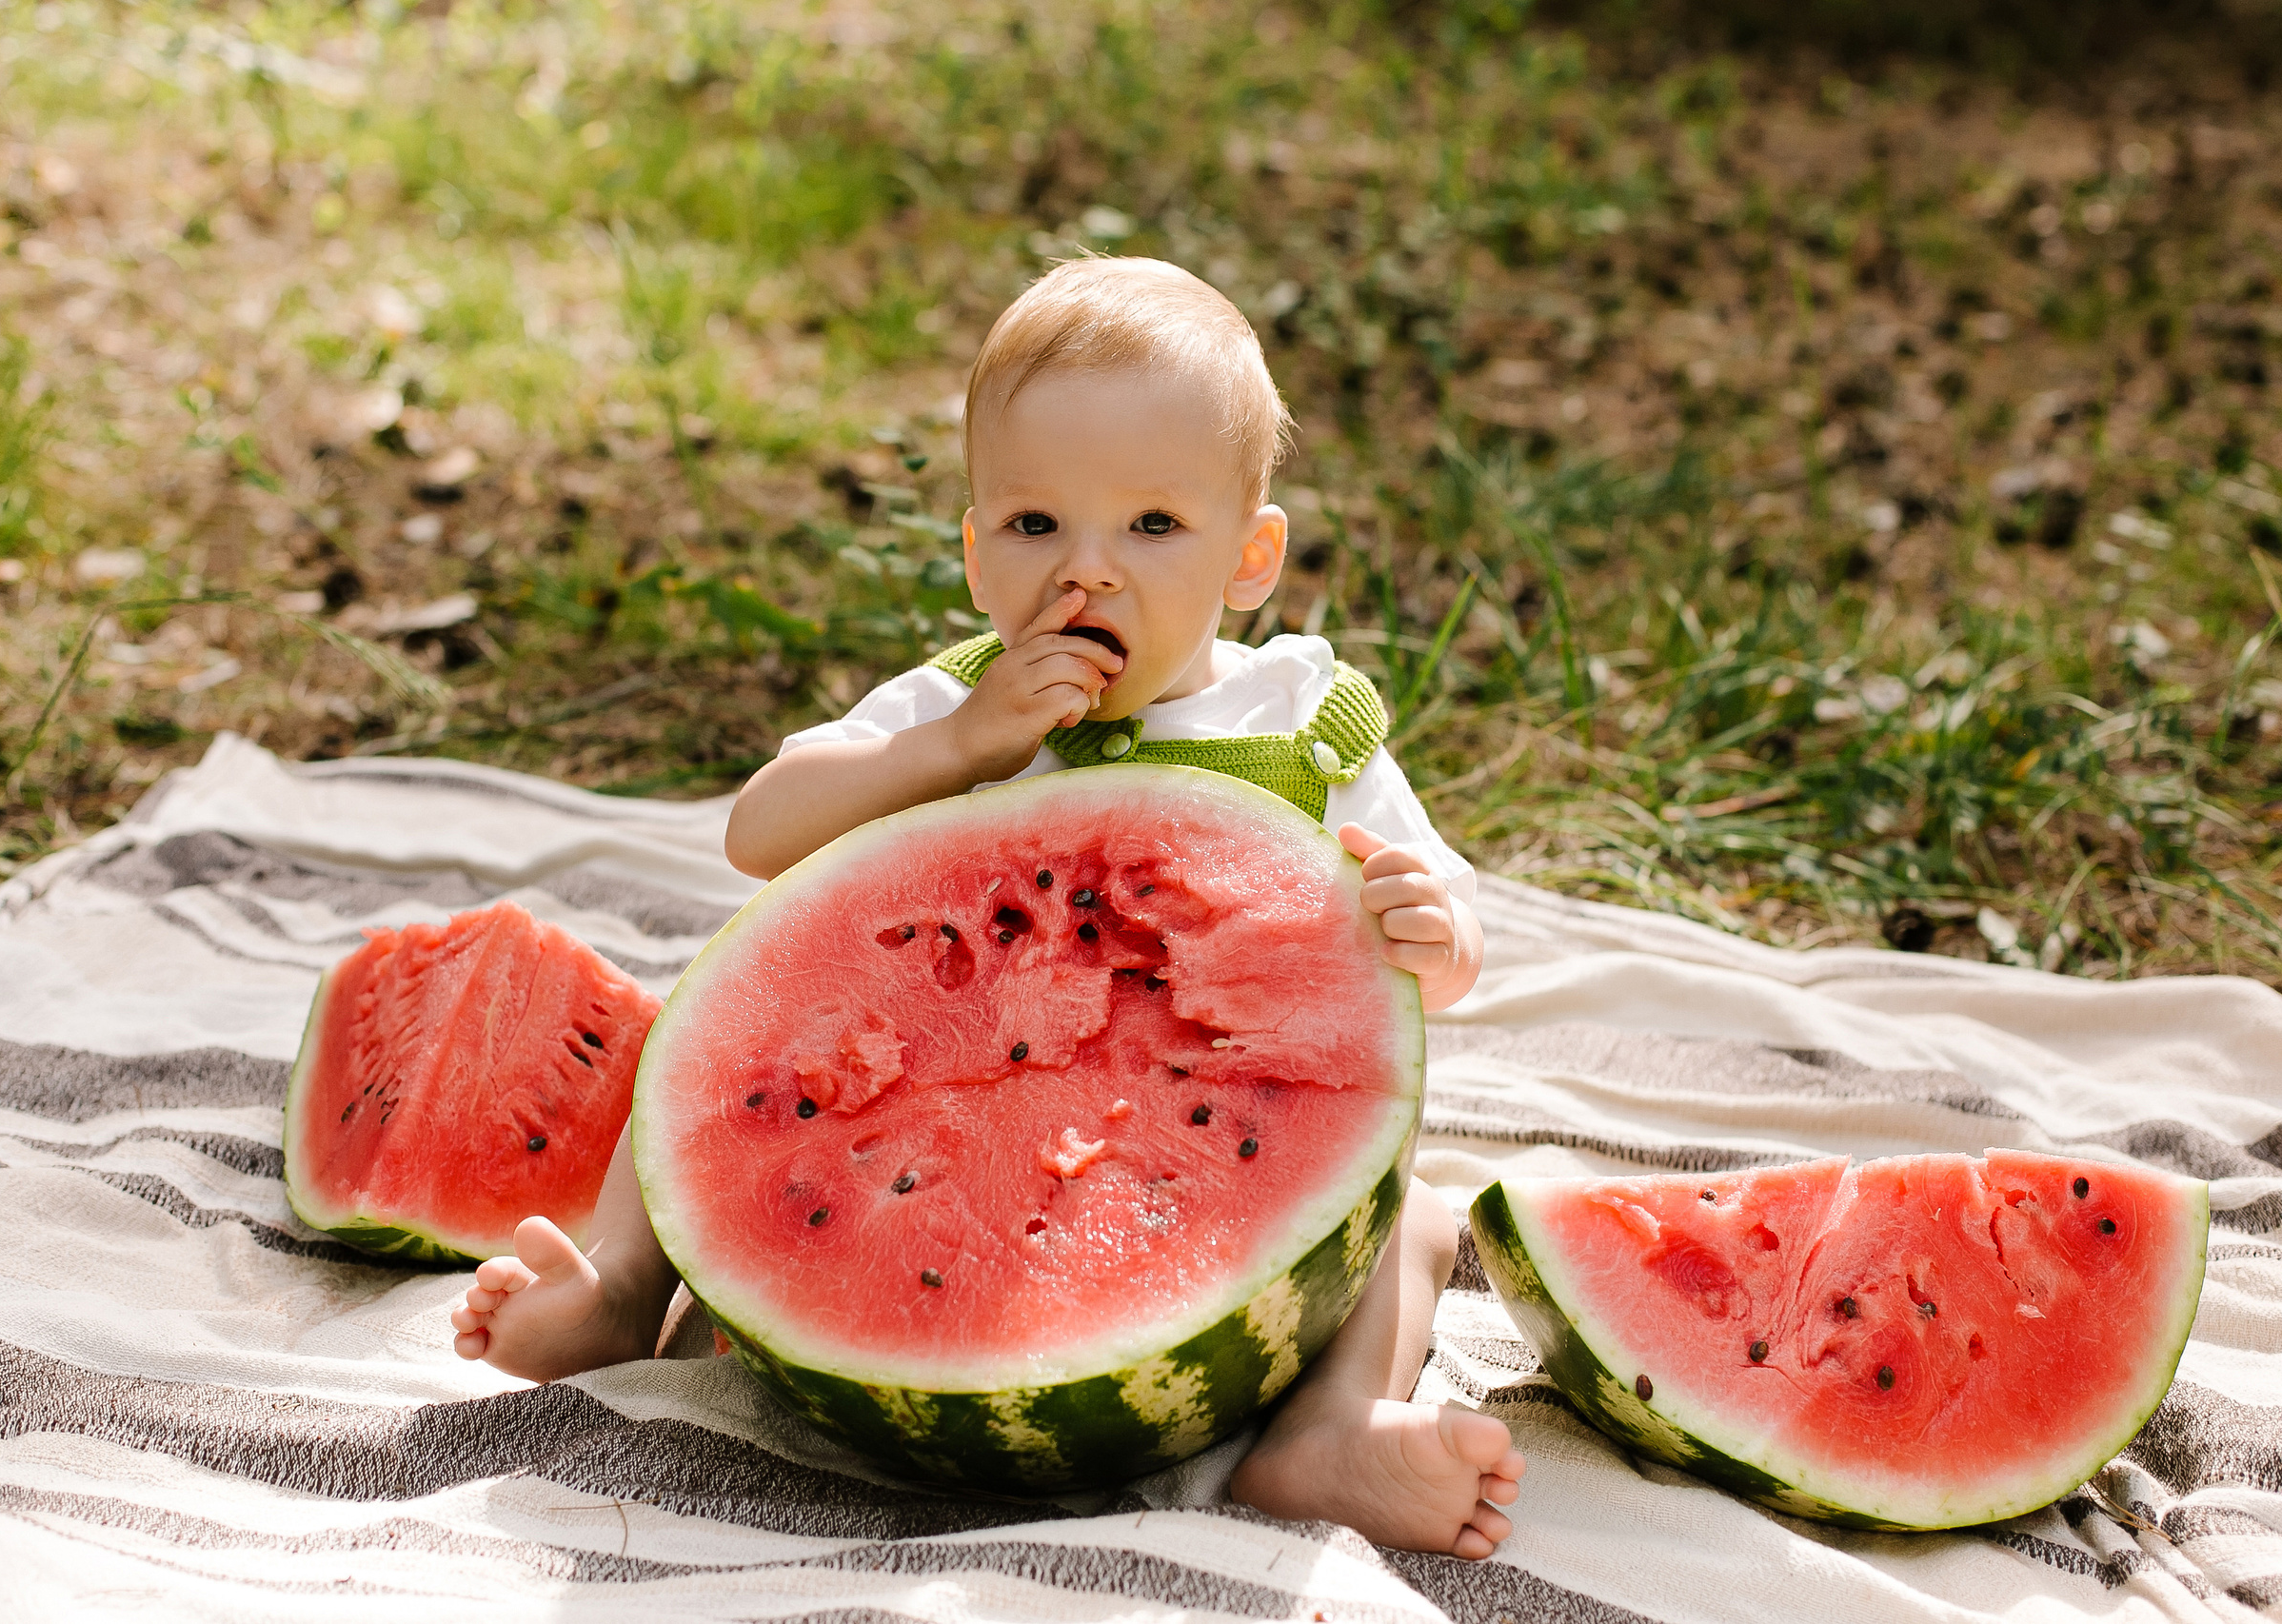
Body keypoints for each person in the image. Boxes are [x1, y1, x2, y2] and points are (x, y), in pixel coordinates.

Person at [451, 256, 1525, 1559]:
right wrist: (955, 746)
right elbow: (760, 827)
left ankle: (1328, 1428)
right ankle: (624, 1283)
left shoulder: (1306, 718)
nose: (1089, 574)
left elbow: (1439, 921)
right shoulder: (956, 706)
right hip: (945, 1109)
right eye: (1033, 527)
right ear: (973, 553)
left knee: (1404, 1209)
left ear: (1250, 557)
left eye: (1151, 527)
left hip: (1212, 1150)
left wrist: (1441, 929)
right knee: (720, 1042)